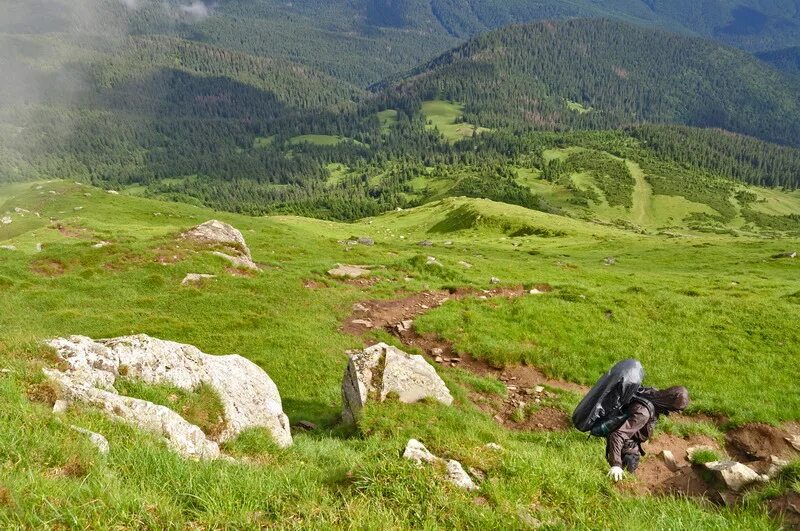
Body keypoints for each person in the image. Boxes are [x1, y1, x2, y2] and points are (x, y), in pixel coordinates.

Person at [606, 386, 690, 482]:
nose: (673, 413)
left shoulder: (653, 395)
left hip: (631, 440)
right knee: (626, 474)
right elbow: (617, 434)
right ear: (668, 403)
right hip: (624, 446)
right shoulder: (643, 414)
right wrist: (616, 465)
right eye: (673, 409)